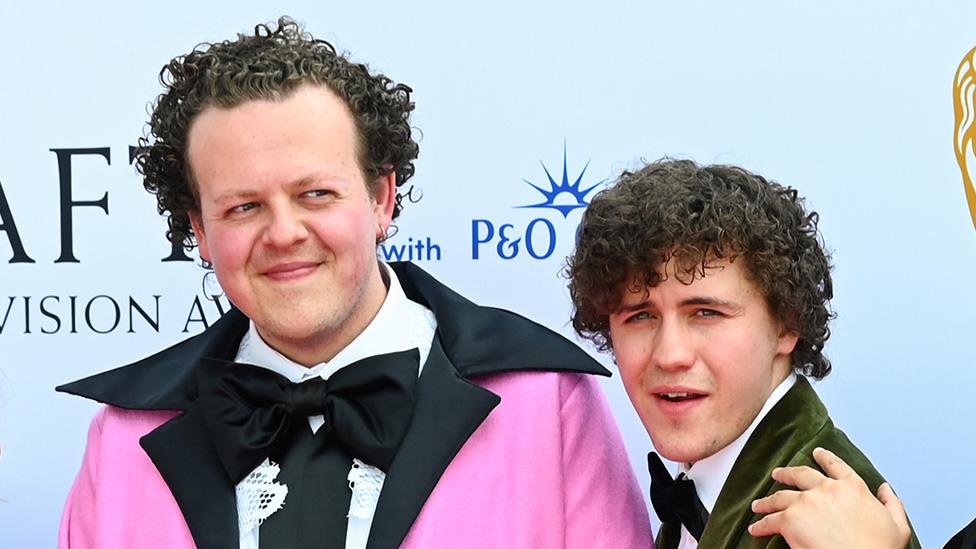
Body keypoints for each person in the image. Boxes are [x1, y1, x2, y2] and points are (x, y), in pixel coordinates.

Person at [56, 17, 651, 549]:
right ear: (201, 232)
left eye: (315, 194)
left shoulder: (549, 405)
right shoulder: (122, 441)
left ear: (381, 199)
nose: (284, 232)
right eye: (243, 207)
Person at [565, 158, 921, 548]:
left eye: (706, 313)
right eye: (640, 316)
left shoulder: (831, 523)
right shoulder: (722, 486)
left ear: (786, 325)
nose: (670, 354)